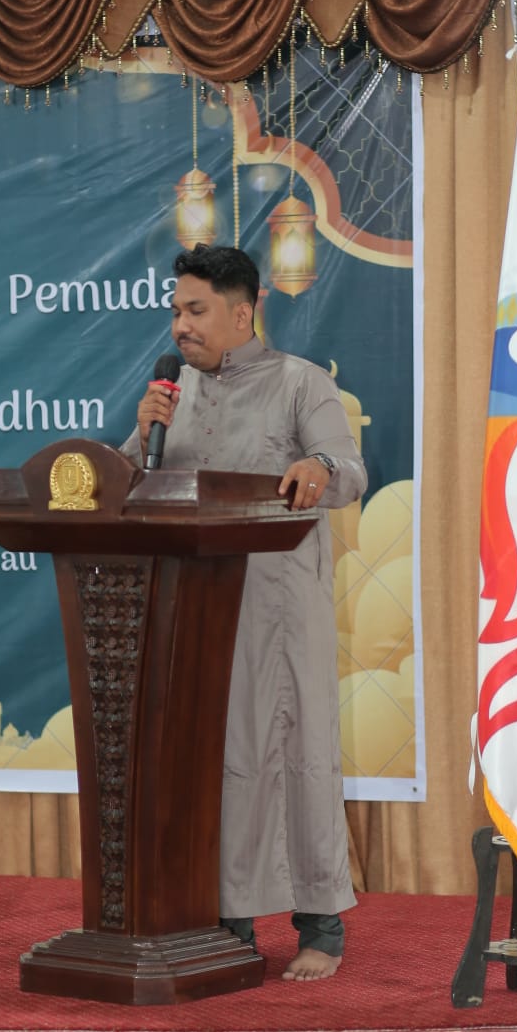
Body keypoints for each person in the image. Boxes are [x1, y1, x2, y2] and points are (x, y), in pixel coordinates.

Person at [123, 244, 367, 981]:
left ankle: (320, 925)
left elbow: (349, 470)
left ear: (242, 312)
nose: (181, 326)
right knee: (208, 765)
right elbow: (122, 485)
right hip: (191, 615)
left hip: (276, 611)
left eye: (195, 311)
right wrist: (141, 435)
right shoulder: (172, 394)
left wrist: (317, 468)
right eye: (176, 311)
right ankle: (225, 921)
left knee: (293, 754)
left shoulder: (300, 383)